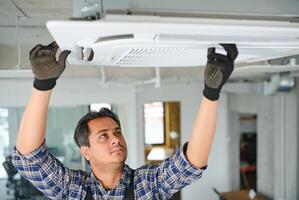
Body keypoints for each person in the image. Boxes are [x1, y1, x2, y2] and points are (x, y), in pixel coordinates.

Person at [12, 41, 238, 199]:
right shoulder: (72, 191)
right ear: (86, 151)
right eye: (104, 136)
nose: (115, 139)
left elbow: (192, 162)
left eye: (117, 132)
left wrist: (211, 93)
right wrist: (43, 84)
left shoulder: (147, 185)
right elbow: (29, 158)